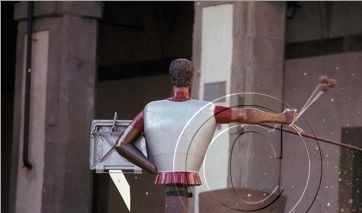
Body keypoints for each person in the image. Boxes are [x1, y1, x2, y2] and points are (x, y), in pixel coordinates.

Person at [115, 58, 297, 185]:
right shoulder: (207, 110)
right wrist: (282, 117)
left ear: (171, 78)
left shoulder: (150, 109)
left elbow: (122, 143)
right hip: (189, 175)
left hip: (164, 175)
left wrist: (153, 168)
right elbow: (245, 115)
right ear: (192, 79)